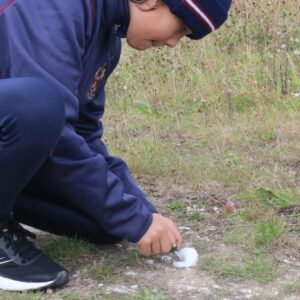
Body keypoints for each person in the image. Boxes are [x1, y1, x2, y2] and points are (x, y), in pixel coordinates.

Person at [0, 0, 231, 291]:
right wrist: (132, 216)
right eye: (182, 28)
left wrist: (141, 212)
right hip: (22, 111)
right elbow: (55, 134)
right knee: (37, 104)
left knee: (101, 223)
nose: (173, 43)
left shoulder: (106, 36)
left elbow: (84, 135)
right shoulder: (53, 7)